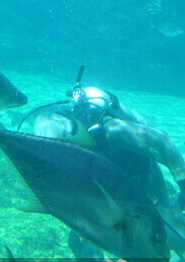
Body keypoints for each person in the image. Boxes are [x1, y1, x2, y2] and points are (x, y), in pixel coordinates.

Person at [30, 78, 185, 210]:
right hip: (103, 170)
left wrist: (183, 186)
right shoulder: (49, 128)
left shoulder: (112, 131)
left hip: (137, 166)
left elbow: (162, 140)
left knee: (159, 222)